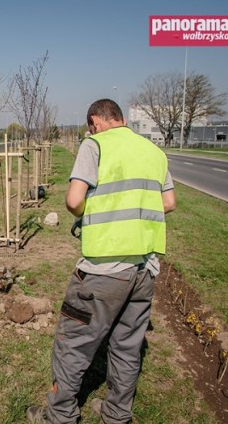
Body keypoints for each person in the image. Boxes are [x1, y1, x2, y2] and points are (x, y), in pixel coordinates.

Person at [27, 99, 176, 424]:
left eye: (90, 126)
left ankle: (60, 417)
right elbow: (169, 202)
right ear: (121, 118)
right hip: (145, 269)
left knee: (73, 344)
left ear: (96, 120)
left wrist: (92, 215)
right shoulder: (154, 152)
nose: (90, 131)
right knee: (126, 347)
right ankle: (116, 415)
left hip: (103, 271)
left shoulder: (95, 145)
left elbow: (74, 200)